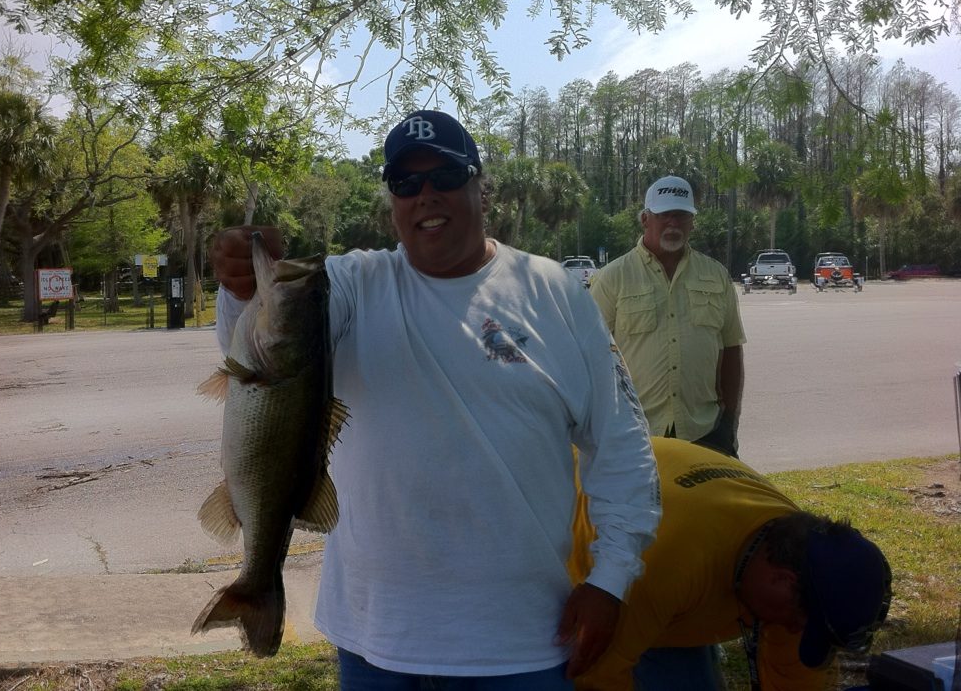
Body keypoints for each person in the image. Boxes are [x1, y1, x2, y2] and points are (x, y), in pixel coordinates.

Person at [210, 109, 661, 689]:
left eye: (445, 176)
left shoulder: (556, 293)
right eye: (406, 182)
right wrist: (240, 285)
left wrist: (611, 579)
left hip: (521, 641)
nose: (426, 194)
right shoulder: (348, 284)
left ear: (481, 188)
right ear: (392, 202)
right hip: (374, 638)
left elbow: (621, 444)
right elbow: (261, 344)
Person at [569, 437, 893, 691]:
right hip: (570, 540)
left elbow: (796, 679)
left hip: (671, 587)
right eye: (800, 622)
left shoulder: (797, 554)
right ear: (782, 581)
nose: (794, 630)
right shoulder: (661, 566)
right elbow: (596, 677)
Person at [590, 175, 746, 457]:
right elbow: (589, 356)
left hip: (705, 431)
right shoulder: (612, 278)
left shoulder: (716, 275)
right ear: (645, 219)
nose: (673, 223)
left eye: (681, 215)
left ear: (692, 222)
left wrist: (730, 423)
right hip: (634, 434)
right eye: (664, 214)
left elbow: (731, 348)